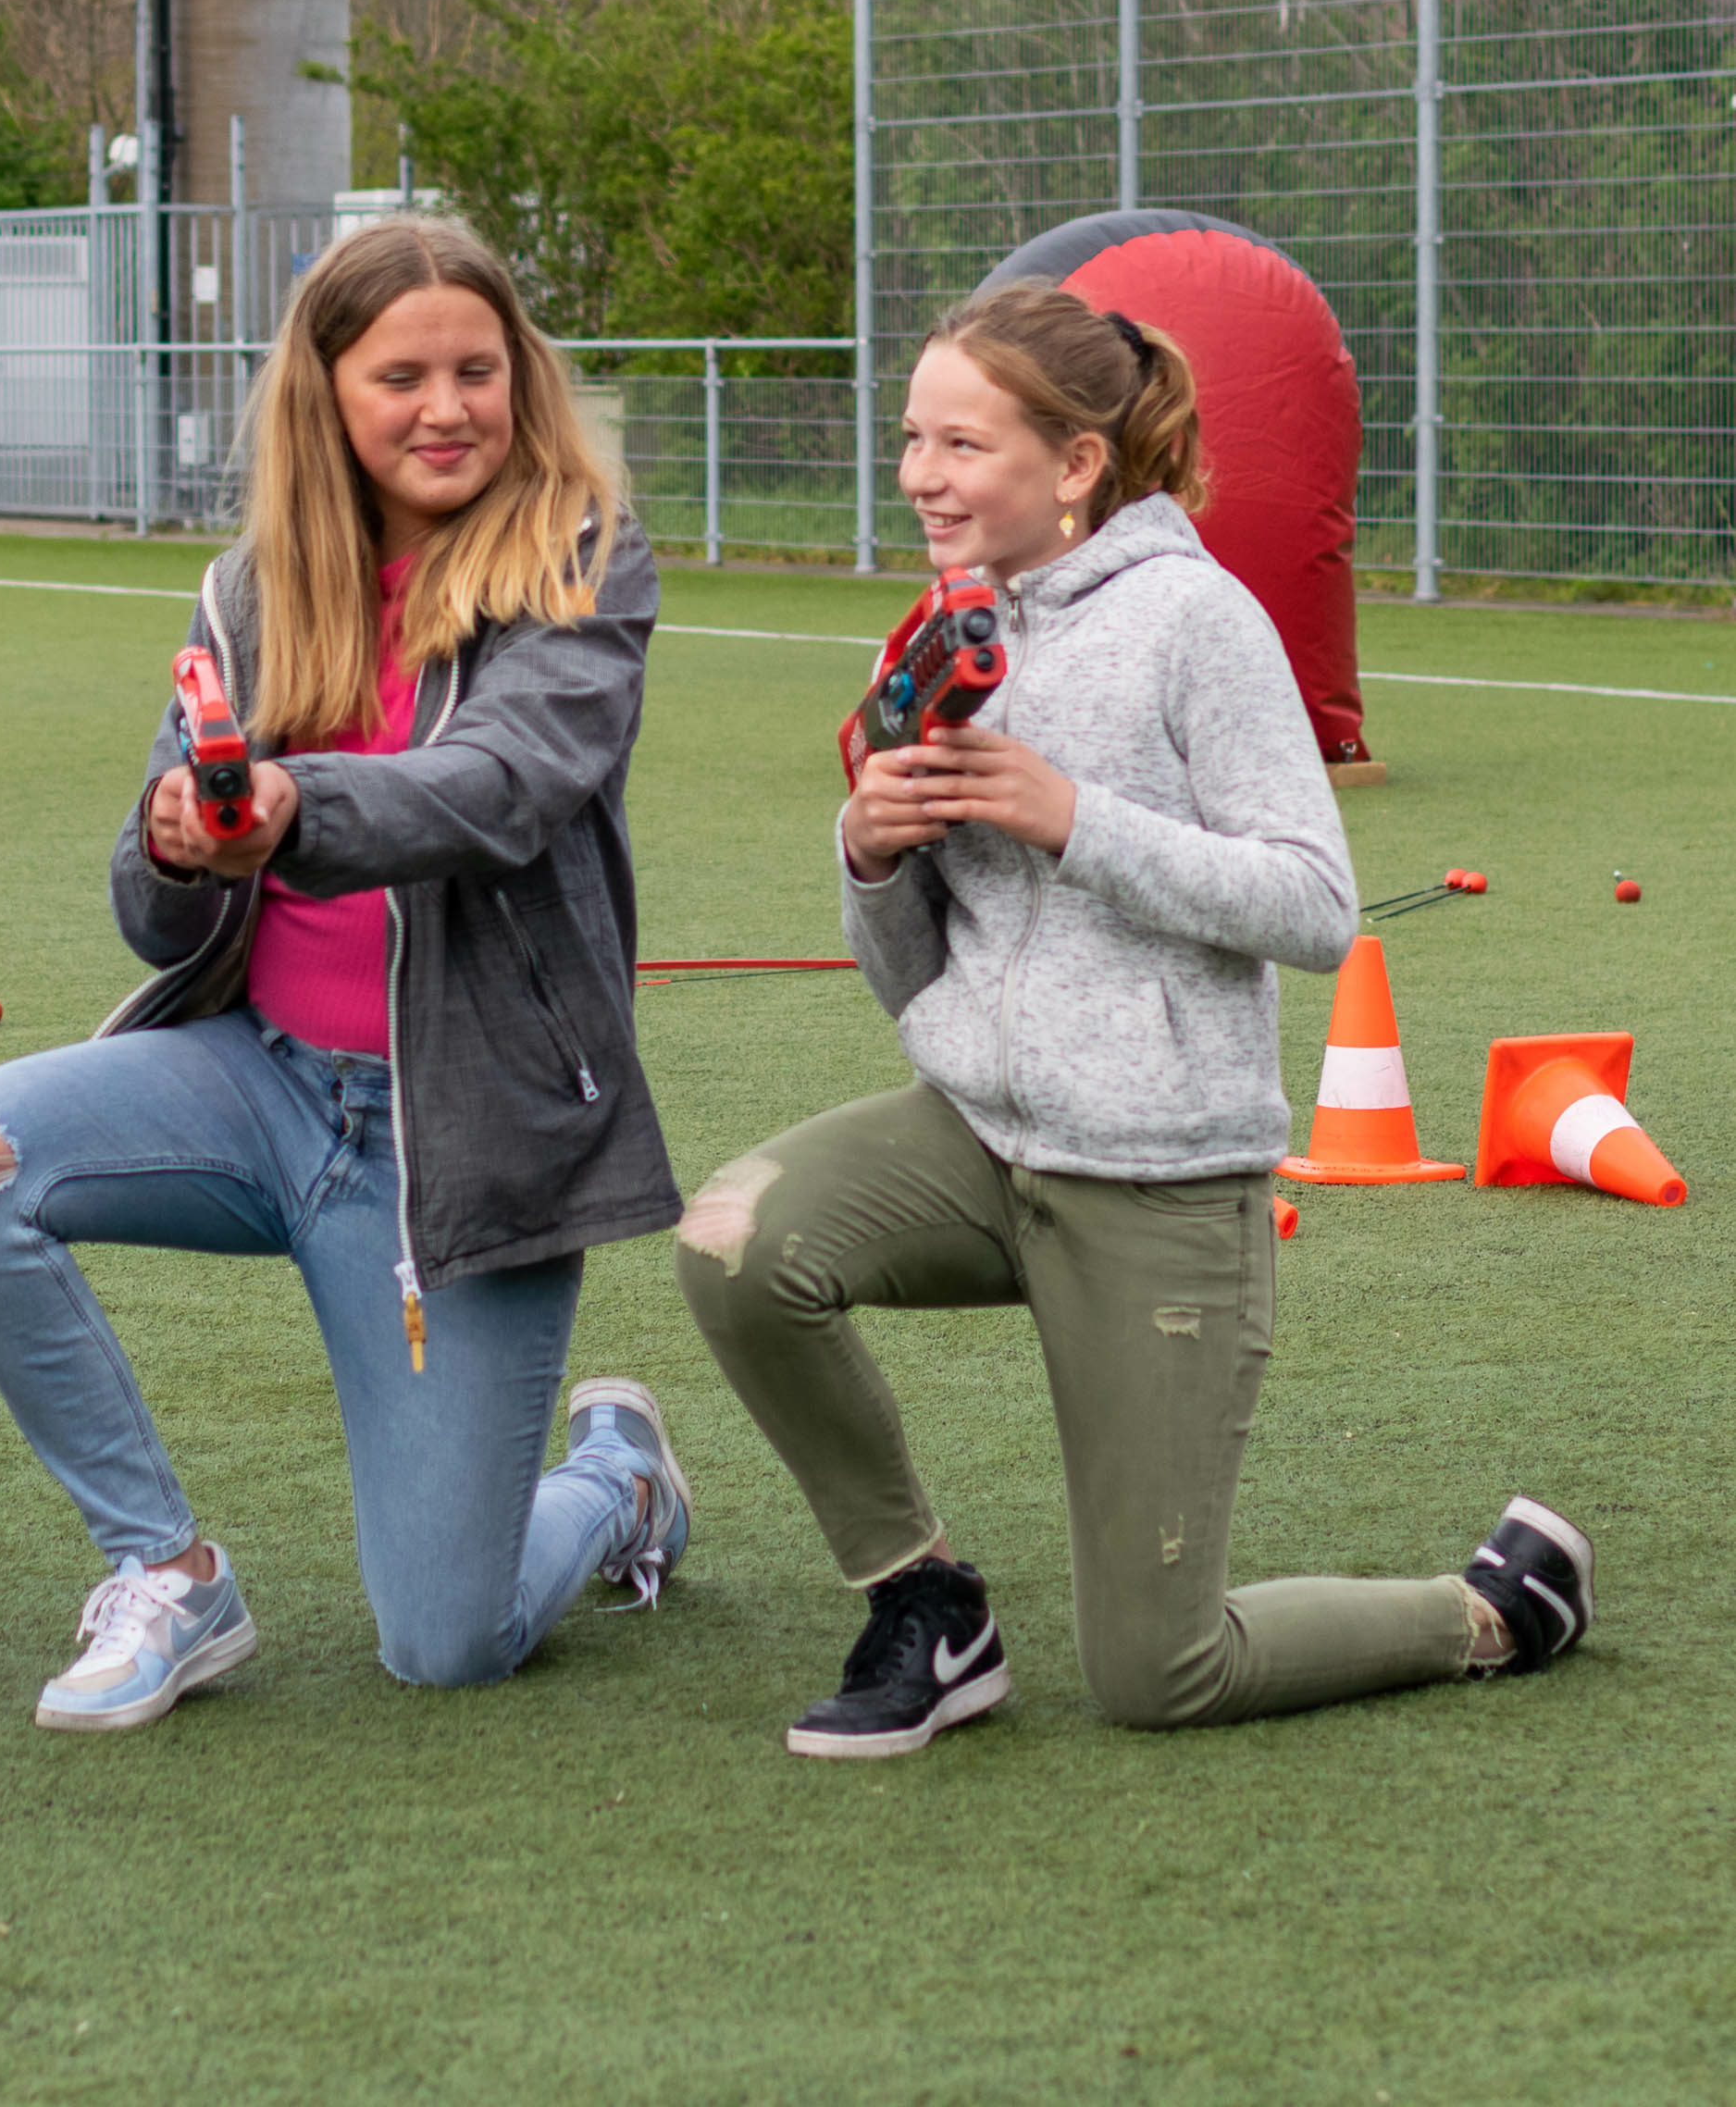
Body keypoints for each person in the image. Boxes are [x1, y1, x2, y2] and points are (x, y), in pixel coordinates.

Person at [678, 283, 1595, 1760]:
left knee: (1158, 1675)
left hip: (1162, 1182)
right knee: (734, 1245)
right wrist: (865, 851)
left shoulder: (1195, 619)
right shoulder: (938, 631)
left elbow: (1312, 907)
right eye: (911, 438)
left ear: (1078, 463)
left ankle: (1490, 1609)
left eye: (960, 443)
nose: (918, 474)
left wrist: (1070, 818)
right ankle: (926, 1603)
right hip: (974, 1137)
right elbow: (912, 975)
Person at [0, 215, 695, 1731]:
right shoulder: (249, 591)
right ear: (324, 395)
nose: (445, 407)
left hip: (457, 1139)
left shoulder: (582, 557)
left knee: (446, 1644)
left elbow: (503, 785)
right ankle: (166, 1571)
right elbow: (150, 919)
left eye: (477, 370)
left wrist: (297, 807)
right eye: (401, 376)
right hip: (257, 1088)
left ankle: (615, 1475)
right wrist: (180, 842)